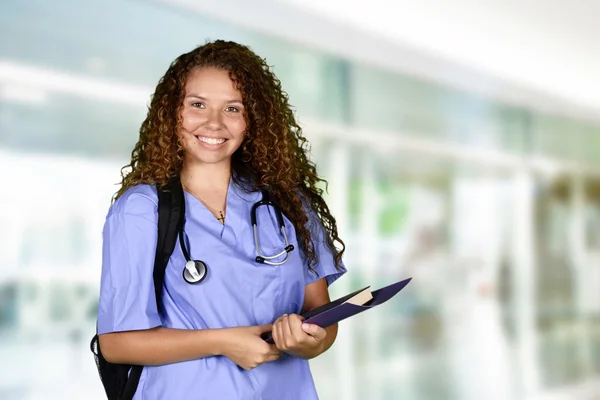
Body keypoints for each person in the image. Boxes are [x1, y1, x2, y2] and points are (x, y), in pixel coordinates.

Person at [96, 40, 347, 399]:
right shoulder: (141, 209)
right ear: (172, 113)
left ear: (253, 120)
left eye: (233, 108)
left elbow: (321, 314)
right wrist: (224, 342)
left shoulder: (290, 204)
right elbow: (117, 344)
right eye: (197, 105)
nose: (214, 123)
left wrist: (310, 344)